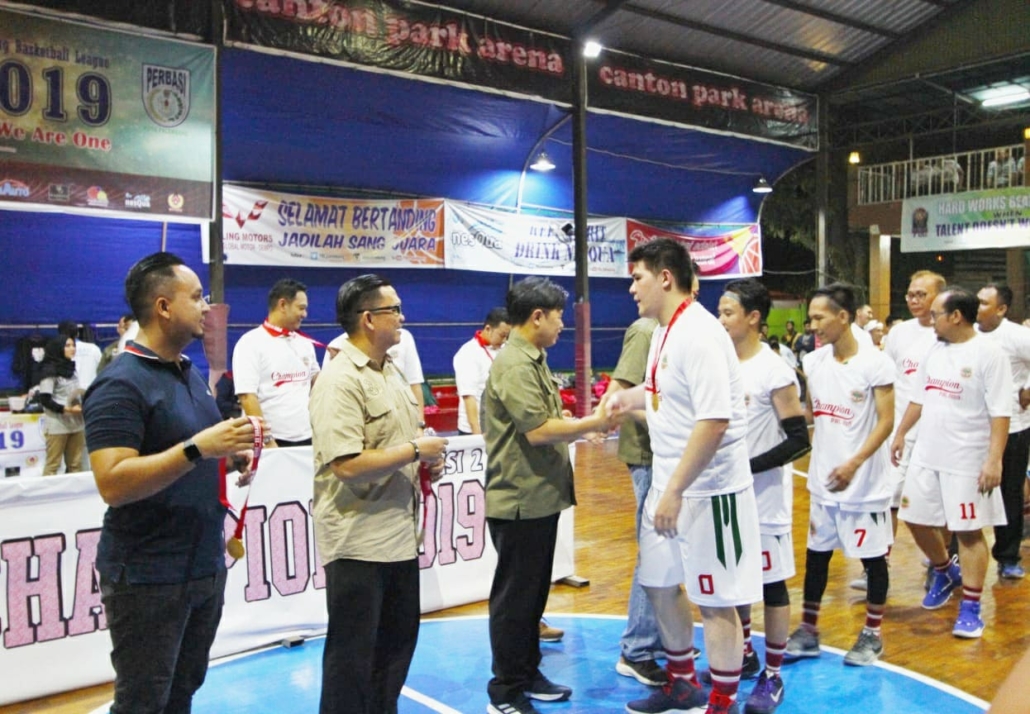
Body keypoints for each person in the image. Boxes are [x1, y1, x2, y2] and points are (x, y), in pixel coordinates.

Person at [84, 252, 259, 713]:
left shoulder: (187, 372)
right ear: (163, 307)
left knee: (181, 694)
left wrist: (225, 457)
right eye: (197, 297)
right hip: (149, 575)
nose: (207, 307)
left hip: (202, 566)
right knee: (143, 702)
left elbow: (183, 453)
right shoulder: (120, 383)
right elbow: (113, 482)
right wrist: (199, 448)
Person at [608, 239, 762, 714]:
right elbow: (663, 393)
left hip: (709, 491)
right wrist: (625, 400)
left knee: (716, 601)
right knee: (657, 583)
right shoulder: (662, 331)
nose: (632, 288)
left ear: (665, 278)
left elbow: (714, 421)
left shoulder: (700, 333)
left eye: (638, 277)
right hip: (668, 482)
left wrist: (674, 490)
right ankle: (681, 683)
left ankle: (723, 700)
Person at [310, 273, 448, 714]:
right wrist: (414, 451)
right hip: (358, 543)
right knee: (352, 661)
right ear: (368, 319)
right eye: (395, 310)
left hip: (399, 538)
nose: (403, 318)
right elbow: (346, 464)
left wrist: (425, 459)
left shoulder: (392, 371)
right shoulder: (339, 379)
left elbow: (400, 444)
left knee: (394, 651)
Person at [482, 276, 612, 714]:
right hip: (519, 499)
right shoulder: (515, 365)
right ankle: (505, 689)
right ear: (536, 317)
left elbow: (545, 420)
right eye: (558, 317)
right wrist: (592, 423)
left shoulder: (533, 359)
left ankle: (527, 672)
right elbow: (538, 431)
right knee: (515, 599)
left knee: (533, 596)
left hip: (540, 498)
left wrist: (576, 427)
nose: (562, 326)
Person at [892, 286, 1011, 639]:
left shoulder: (990, 353)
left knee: (969, 532)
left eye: (936, 315)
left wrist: (994, 460)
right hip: (927, 453)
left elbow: (1001, 413)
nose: (931, 321)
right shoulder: (934, 350)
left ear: (956, 316)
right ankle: (945, 571)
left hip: (967, 458)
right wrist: (900, 433)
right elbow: (918, 398)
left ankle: (971, 608)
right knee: (914, 518)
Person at [786, 282, 894, 667]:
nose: (812, 325)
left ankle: (872, 635)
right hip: (824, 484)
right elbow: (814, 415)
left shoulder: (875, 363)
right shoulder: (814, 363)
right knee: (817, 557)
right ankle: (808, 630)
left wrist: (854, 462)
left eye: (820, 317)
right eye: (810, 318)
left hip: (864, 485)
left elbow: (886, 421)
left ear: (844, 317)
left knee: (873, 560)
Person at [717, 278, 811, 714]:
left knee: (771, 585)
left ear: (754, 318)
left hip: (765, 500)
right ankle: (745, 652)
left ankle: (773, 675)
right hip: (726, 496)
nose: (720, 320)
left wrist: (748, 468)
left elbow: (799, 440)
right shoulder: (720, 364)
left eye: (728, 312)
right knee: (732, 579)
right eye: (719, 312)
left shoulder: (775, 370)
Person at [850, 271, 944, 593]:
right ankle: (879, 567)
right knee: (888, 496)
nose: (914, 300)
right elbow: (886, 380)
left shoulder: (951, 333)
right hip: (901, 430)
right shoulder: (900, 333)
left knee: (935, 503)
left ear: (940, 297)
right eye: (910, 294)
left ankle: (939, 565)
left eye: (921, 294)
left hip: (939, 432)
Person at [604, 315, 666, 687]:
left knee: (666, 550)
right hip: (648, 454)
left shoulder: (672, 331)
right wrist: (600, 420)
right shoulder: (645, 331)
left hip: (667, 455)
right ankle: (638, 648)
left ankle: (659, 636)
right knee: (653, 551)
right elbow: (621, 391)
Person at [975, 284, 1030, 580]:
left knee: (1010, 493)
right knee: (964, 491)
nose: (977, 306)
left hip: (1013, 427)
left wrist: (1028, 389)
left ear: (1001, 309)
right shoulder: (967, 334)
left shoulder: (1017, 336)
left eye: (984, 303)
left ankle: (1008, 556)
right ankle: (954, 555)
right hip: (972, 429)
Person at [233, 278, 320, 447]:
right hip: (272, 441)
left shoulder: (305, 343)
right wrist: (267, 440)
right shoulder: (250, 343)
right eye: (301, 308)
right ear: (283, 305)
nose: (305, 314)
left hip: (307, 438)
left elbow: (317, 382)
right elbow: (247, 397)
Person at [326, 327, 426, 417]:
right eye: (393, 313)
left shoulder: (403, 337)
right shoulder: (336, 347)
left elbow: (414, 384)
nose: (401, 317)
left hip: (404, 423)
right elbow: (331, 399)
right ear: (368, 318)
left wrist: (420, 424)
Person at [452, 307, 511, 435]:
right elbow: (469, 397)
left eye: (507, 336)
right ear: (488, 329)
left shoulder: (505, 349)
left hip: (500, 425)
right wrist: (477, 435)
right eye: (502, 335)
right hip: (476, 428)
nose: (504, 340)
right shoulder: (468, 353)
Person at [38, 335, 85, 475]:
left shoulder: (72, 368)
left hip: (76, 422)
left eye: (73, 345)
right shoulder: (49, 371)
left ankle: (75, 490)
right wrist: (67, 410)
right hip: (57, 424)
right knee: (53, 465)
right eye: (67, 346)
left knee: (75, 464)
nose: (72, 348)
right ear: (58, 348)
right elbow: (45, 399)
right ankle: (46, 490)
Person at [58, 320, 103, 390]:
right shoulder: (94, 348)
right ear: (78, 334)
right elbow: (103, 370)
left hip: (70, 393)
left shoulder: (58, 351)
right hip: (91, 391)